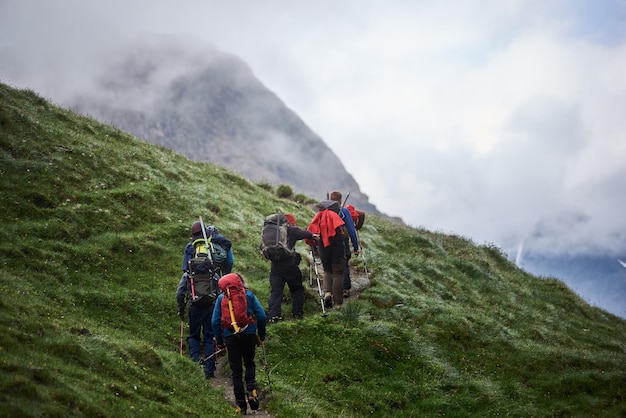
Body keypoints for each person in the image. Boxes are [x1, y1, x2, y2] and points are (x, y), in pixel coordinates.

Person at [177, 221, 229, 379]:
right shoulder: (213, 273)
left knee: (193, 335)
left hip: (194, 305)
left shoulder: (188, 274)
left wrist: (181, 308)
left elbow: (180, 292)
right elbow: (221, 290)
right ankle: (210, 368)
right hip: (211, 306)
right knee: (209, 335)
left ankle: (193, 363)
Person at [212, 273, 267, 415]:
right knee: (249, 363)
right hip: (248, 334)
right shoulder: (248, 295)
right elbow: (261, 316)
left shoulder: (220, 298)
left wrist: (220, 342)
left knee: (236, 371)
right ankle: (251, 391)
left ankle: (241, 406)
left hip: (230, 336)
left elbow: (215, 322)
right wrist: (261, 335)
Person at [267, 213, 319, 322]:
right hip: (290, 266)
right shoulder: (290, 229)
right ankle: (297, 314)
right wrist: (311, 235)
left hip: (275, 266)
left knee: (276, 292)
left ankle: (273, 316)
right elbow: (304, 233)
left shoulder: (270, 231)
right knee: (296, 290)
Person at [307, 200, 348, 309]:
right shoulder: (336, 216)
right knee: (337, 273)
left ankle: (327, 294)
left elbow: (312, 232)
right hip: (337, 247)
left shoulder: (319, 216)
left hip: (323, 247)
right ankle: (338, 303)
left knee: (327, 271)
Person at [328, 191, 360, 298]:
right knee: (344, 263)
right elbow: (351, 229)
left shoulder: (324, 210)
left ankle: (330, 290)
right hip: (342, 240)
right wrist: (356, 247)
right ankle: (345, 288)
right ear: (340, 200)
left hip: (327, 241)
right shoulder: (344, 211)